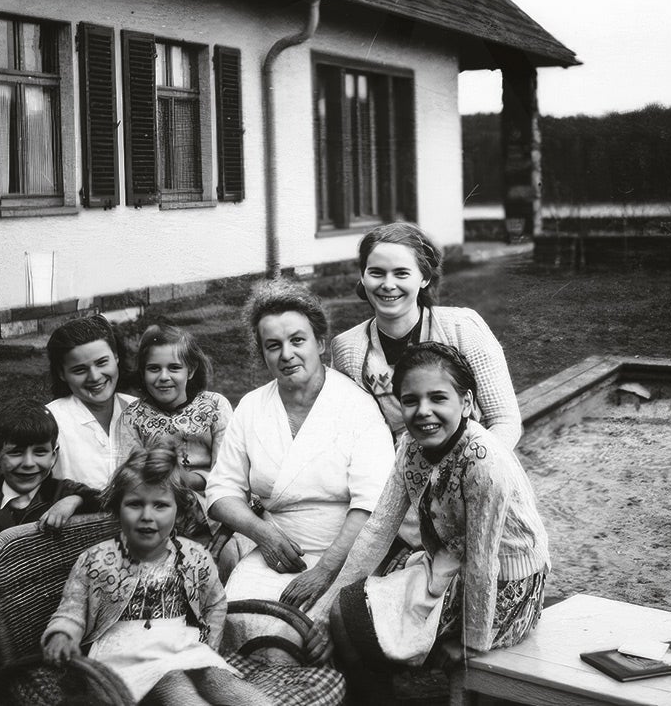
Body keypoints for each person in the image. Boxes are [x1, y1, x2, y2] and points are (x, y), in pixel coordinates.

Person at [305, 343, 550, 701]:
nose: (423, 412)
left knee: (362, 625)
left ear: (465, 402)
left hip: (506, 584)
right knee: (345, 611)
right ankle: (382, 695)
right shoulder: (409, 446)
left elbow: (484, 563)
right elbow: (377, 529)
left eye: (438, 398)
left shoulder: (483, 463)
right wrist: (323, 610)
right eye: (410, 400)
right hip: (451, 562)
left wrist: (470, 647)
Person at [206, 279, 394, 629]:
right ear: (262, 354)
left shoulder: (357, 406)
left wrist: (324, 572)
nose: (286, 354)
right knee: (238, 624)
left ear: (320, 343)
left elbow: (373, 504)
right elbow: (221, 493)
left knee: (296, 637)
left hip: (344, 558)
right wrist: (263, 534)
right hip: (273, 555)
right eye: (273, 346)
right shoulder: (251, 406)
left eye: (297, 340)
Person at [41, 445, 274, 706]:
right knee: (174, 684)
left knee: (219, 679)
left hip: (182, 645)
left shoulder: (195, 557)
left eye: (161, 505)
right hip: (125, 656)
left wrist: (208, 645)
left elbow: (215, 603)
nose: (147, 517)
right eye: (135, 504)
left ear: (179, 511)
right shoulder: (95, 560)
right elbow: (71, 611)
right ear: (118, 508)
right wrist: (62, 634)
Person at [330, 221, 522, 451]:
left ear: (424, 278)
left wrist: (467, 472)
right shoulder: (347, 349)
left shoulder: (462, 328)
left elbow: (504, 420)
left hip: (473, 463)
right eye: (376, 273)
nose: (388, 284)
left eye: (401, 273)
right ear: (363, 277)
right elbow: (351, 433)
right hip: (396, 473)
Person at [0, 398, 102, 637]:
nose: (28, 463)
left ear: (54, 456)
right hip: (7, 619)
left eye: (40, 452)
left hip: (59, 612)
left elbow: (109, 501)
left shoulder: (61, 492)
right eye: (15, 453)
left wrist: (76, 500)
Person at [119, 324, 233, 541]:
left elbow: (227, 471)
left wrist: (192, 479)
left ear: (190, 370)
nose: (163, 377)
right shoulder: (133, 417)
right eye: (154, 368)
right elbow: (130, 475)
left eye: (174, 368)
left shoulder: (215, 406)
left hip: (216, 508)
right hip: (158, 513)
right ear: (142, 373)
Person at [44, 314, 137, 490]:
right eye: (79, 370)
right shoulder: (50, 421)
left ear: (116, 357)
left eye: (102, 362)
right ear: (62, 373)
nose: (94, 377)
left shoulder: (140, 410)